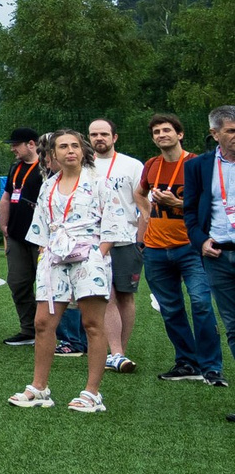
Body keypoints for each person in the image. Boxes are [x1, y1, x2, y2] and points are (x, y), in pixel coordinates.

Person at [10, 128, 135, 412]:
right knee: (43, 323)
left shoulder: (99, 183)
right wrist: (45, 253)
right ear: (53, 154)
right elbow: (41, 226)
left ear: (83, 151)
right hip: (54, 258)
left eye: (75, 146)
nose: (70, 151)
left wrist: (98, 254)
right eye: (63, 146)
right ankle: (39, 388)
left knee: (92, 324)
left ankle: (92, 393)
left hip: (89, 257)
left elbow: (114, 223)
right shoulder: (48, 186)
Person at [141, 113, 220, 384]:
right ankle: (187, 363)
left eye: (166, 130)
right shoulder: (151, 165)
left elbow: (209, 204)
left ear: (180, 134)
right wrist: (146, 213)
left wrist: (176, 203)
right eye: (156, 132)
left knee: (201, 304)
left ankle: (211, 366)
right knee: (170, 308)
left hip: (190, 247)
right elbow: (140, 193)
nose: (161, 135)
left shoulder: (197, 164)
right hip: (155, 248)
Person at [76, 119, 147, 374]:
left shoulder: (132, 165)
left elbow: (144, 204)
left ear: (114, 137)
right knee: (107, 295)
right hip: (94, 241)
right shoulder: (83, 166)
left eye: (104, 134)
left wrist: (141, 241)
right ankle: (115, 352)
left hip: (126, 239)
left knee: (126, 296)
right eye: (94, 134)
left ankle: (119, 352)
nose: (99, 138)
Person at [178, 106, 235, 418]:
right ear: (215, 134)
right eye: (231, 131)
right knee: (233, 327)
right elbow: (190, 211)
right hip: (218, 256)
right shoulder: (198, 166)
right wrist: (200, 240)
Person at [0, 128, 45, 347]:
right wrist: (4, 225)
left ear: (31, 144)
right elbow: (7, 196)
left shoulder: (47, 167)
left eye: (16, 144)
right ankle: (29, 330)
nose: (12, 149)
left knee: (47, 286)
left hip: (41, 238)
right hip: (17, 236)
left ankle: (55, 333)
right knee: (18, 283)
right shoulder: (15, 167)